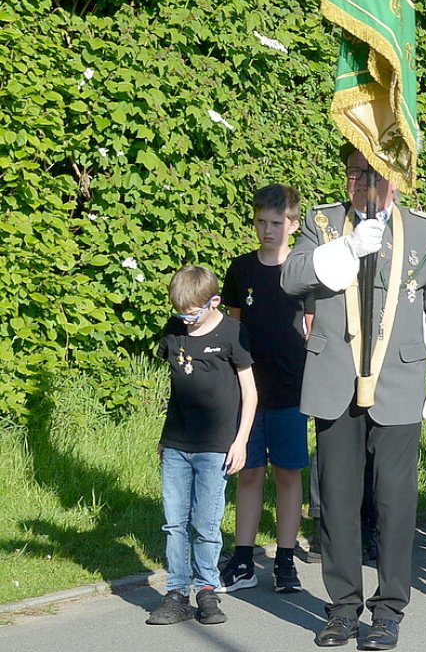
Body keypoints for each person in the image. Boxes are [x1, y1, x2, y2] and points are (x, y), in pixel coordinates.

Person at [282, 145, 426, 651]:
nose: (365, 186)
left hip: (399, 383)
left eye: (376, 177)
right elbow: (291, 276)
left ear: (397, 181)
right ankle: (343, 608)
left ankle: (389, 610)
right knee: (338, 502)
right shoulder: (324, 225)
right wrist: (345, 251)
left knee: (394, 502)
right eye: (355, 176)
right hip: (335, 381)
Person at [148, 265, 257, 627]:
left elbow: (249, 392)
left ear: (213, 302)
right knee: (174, 523)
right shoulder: (174, 330)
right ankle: (177, 591)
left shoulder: (232, 332)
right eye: (180, 312)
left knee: (206, 523)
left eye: (192, 313)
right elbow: (178, 387)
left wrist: (240, 441)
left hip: (217, 445)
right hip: (178, 443)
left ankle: (207, 590)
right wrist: (166, 438)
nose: (186, 320)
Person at [219, 185, 309, 596]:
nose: (267, 230)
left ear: (293, 223)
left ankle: (286, 559)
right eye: (261, 222)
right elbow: (233, 330)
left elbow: (312, 329)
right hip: (249, 391)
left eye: (276, 223)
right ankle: (243, 558)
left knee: (288, 473)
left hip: (292, 389)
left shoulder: (305, 271)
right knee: (249, 471)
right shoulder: (241, 270)